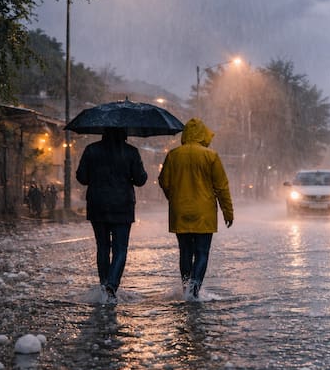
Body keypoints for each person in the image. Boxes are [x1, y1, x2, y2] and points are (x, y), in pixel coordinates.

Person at [158, 118, 234, 301]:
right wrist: (227, 211)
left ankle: (186, 288)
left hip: (180, 211)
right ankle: (194, 290)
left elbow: (164, 181)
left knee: (185, 251)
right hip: (204, 212)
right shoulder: (211, 156)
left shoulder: (173, 155)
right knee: (201, 252)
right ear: (203, 134)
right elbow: (221, 187)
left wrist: (174, 198)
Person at [76, 128, 148, 304]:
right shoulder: (131, 152)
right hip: (123, 206)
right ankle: (112, 285)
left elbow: (82, 177)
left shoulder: (91, 149)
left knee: (102, 247)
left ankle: (103, 287)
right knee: (120, 248)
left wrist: (97, 176)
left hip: (97, 204)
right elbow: (140, 179)